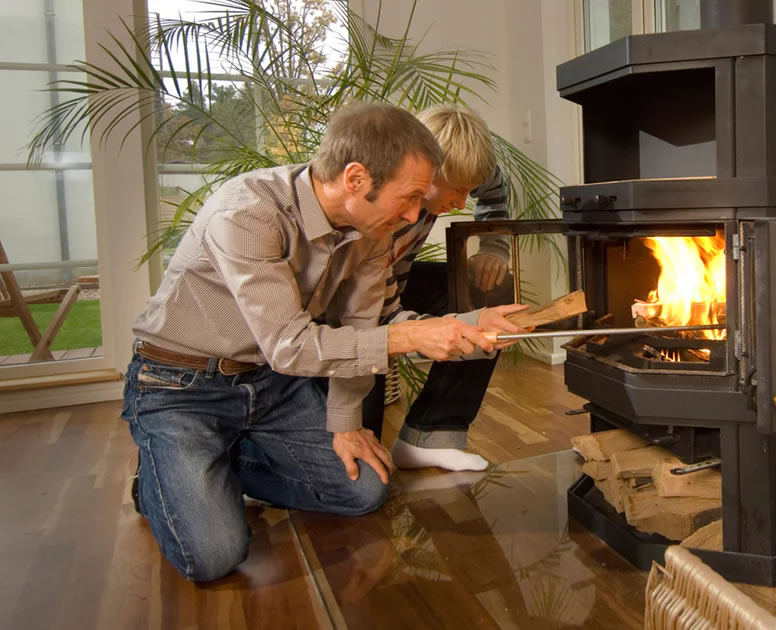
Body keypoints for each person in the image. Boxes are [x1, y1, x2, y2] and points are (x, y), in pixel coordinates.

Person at [121, 102, 526, 582]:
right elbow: (290, 345)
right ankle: (165, 479)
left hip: (270, 386)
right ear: (355, 178)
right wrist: (409, 336)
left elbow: (367, 326)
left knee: (365, 492)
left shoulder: (373, 229)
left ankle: (215, 464)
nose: (419, 216)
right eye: (411, 197)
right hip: (181, 386)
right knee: (215, 557)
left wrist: (469, 323)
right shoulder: (248, 213)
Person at [362, 105, 519, 472]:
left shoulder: (465, 168)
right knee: (363, 474)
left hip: (395, 282)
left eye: (471, 190)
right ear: (424, 168)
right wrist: (435, 331)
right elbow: (370, 313)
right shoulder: (375, 209)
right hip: (357, 310)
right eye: (458, 191)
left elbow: (494, 194)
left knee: (492, 287)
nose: (463, 204)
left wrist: (492, 250)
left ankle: (431, 436)